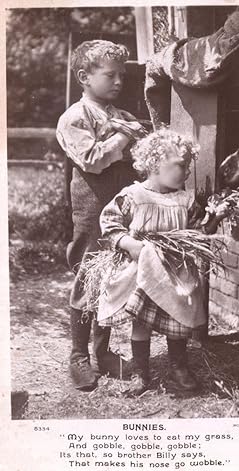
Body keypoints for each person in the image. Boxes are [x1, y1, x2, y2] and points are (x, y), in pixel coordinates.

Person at [97, 129, 229, 396]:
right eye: (181, 165)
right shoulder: (134, 196)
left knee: (178, 318)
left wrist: (215, 218)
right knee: (141, 322)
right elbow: (109, 223)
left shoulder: (185, 200)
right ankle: (140, 373)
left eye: (188, 167)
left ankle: (179, 367)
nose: (187, 172)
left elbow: (197, 232)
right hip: (144, 267)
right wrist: (129, 244)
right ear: (154, 164)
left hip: (177, 271)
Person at [56, 39, 146, 391]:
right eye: (110, 75)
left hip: (120, 207)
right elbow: (92, 160)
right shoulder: (75, 117)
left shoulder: (121, 115)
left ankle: (103, 352)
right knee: (88, 275)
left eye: (122, 75)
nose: (119, 81)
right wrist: (124, 139)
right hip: (93, 206)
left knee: (111, 276)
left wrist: (130, 136)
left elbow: (139, 157)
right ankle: (78, 357)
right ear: (84, 76)